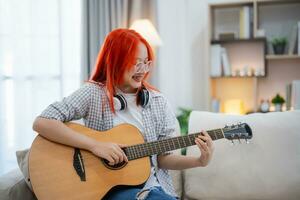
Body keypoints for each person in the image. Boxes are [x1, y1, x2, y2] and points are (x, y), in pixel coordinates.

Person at [32, 28, 214, 200]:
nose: (143, 69)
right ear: (116, 61)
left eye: (146, 62)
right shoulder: (93, 93)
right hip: (107, 190)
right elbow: (42, 122)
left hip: (151, 188)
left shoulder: (158, 102)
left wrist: (199, 160)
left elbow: (163, 158)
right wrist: (95, 145)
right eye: (136, 62)